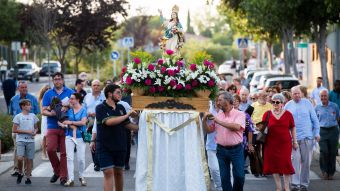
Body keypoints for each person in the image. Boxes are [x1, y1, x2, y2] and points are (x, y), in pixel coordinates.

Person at [95, 84, 138, 191]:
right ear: (109, 94)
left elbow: (127, 124)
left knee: (119, 173)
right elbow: (109, 122)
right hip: (105, 147)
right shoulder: (100, 107)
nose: (121, 95)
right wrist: (127, 115)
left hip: (120, 145)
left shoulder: (121, 107)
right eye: (118, 92)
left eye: (121, 92)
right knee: (108, 173)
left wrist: (143, 127)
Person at [203, 91, 246, 191]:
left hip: (236, 150)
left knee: (239, 176)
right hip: (221, 150)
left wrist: (218, 121)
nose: (217, 102)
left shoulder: (239, 114)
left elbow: (236, 127)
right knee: (224, 178)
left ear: (227, 101)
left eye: (220, 100)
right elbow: (209, 130)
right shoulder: (219, 115)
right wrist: (204, 121)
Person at [284, 86, 320, 191]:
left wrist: (317, 133)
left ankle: (304, 184)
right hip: (293, 139)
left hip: (307, 138)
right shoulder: (288, 105)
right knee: (295, 161)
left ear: (302, 93)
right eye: (294, 93)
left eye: (298, 93)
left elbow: (315, 120)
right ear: (291, 94)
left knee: (306, 163)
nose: (297, 95)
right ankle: (295, 185)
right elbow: (284, 123)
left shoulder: (307, 103)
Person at [42, 72, 74, 185]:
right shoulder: (48, 93)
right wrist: (51, 113)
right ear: (53, 81)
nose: (57, 81)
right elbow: (43, 110)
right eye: (55, 79)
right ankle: (57, 171)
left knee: (64, 153)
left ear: (63, 80)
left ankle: (63, 177)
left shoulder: (70, 92)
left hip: (66, 125)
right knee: (50, 149)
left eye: (59, 79)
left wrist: (68, 106)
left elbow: (77, 106)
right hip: (52, 125)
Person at [262, 93, 297, 191]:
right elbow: (263, 128)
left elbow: (293, 127)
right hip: (271, 143)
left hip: (285, 144)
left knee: (286, 163)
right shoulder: (267, 114)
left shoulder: (288, 114)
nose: (275, 104)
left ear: (282, 103)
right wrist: (260, 128)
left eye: (277, 102)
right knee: (274, 165)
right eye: (273, 102)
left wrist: (295, 141)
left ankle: (286, 187)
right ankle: (278, 187)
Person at [9, 81, 40, 177]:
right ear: (18, 88)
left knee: (28, 151)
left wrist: (34, 129)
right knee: (17, 149)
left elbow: (37, 112)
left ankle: (28, 170)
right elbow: (10, 113)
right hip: (17, 128)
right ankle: (17, 170)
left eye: (25, 87)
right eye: (22, 87)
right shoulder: (13, 99)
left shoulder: (33, 99)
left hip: (29, 130)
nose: (24, 89)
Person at [58, 93, 88, 187]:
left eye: (72, 99)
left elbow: (83, 122)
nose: (70, 100)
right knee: (69, 158)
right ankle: (70, 179)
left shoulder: (83, 110)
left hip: (80, 136)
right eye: (70, 99)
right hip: (69, 136)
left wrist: (70, 122)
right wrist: (64, 124)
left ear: (78, 100)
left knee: (81, 159)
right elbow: (62, 119)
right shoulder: (68, 110)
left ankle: (81, 176)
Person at [12, 99, 39, 184]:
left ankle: (28, 178)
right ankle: (20, 173)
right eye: (28, 105)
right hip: (20, 140)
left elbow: (36, 127)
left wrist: (35, 132)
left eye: (30, 105)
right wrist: (27, 131)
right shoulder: (18, 116)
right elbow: (14, 130)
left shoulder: (33, 116)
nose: (30, 106)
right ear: (23, 106)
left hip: (30, 141)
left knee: (29, 160)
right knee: (20, 158)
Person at [315, 90, 340, 180]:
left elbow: (337, 118)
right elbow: (315, 120)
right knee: (324, 151)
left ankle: (331, 172)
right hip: (322, 131)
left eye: (325, 96)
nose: (323, 98)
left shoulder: (334, 106)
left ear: (328, 96)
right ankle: (324, 171)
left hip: (333, 130)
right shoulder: (317, 107)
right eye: (322, 96)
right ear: (319, 97)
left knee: (333, 152)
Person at [84, 79, 105, 171]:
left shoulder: (104, 96)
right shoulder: (87, 97)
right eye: (94, 85)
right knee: (91, 143)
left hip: (101, 123)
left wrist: (98, 114)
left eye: (97, 85)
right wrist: (87, 113)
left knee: (100, 143)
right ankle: (96, 163)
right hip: (89, 123)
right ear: (91, 86)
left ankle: (101, 162)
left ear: (100, 86)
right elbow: (83, 108)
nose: (96, 87)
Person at [250, 90, 272, 177]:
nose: (264, 97)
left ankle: (265, 169)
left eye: (265, 96)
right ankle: (258, 169)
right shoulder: (253, 105)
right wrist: (253, 125)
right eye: (262, 96)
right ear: (258, 96)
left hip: (267, 131)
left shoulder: (270, 106)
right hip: (256, 131)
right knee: (256, 151)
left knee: (266, 151)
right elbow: (247, 117)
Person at [233, 94, 255, 175]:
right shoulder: (225, 114)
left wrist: (249, 144)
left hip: (242, 143)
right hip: (229, 143)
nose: (235, 102)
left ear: (239, 103)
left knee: (239, 164)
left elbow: (250, 129)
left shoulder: (245, 114)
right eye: (233, 100)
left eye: (237, 101)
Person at [205, 97, 222, 191]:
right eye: (216, 100)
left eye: (220, 100)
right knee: (214, 169)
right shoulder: (208, 110)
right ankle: (219, 187)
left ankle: (225, 187)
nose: (218, 102)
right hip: (211, 145)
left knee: (225, 170)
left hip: (224, 145)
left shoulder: (226, 111)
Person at [38, 85, 51, 160]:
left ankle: (50, 153)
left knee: (51, 136)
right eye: (46, 89)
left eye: (49, 89)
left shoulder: (52, 98)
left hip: (52, 118)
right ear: (44, 91)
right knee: (44, 136)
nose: (48, 90)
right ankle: (43, 153)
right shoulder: (42, 100)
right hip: (45, 118)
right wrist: (49, 108)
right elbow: (42, 112)